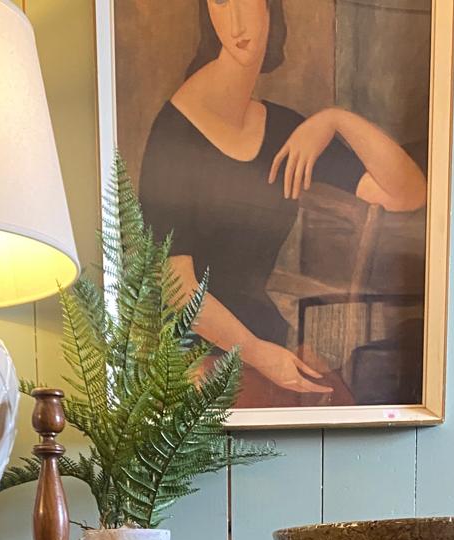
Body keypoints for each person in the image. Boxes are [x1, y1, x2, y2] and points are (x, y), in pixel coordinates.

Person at [138, 0, 427, 404]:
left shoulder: (285, 131)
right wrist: (255, 353)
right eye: (220, 2)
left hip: (265, 337)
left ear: (271, 9)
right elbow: (178, 290)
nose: (236, 21)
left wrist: (336, 119)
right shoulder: (175, 132)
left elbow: (408, 193)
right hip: (188, 352)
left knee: (339, 411)